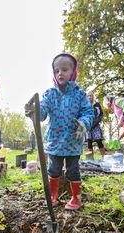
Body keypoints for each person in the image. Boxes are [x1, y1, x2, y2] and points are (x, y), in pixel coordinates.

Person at [25, 53, 93, 210]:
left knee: (73, 171)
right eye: (57, 71)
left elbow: (88, 113)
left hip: (73, 140)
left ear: (73, 72)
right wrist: (33, 111)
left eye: (64, 69)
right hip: (55, 141)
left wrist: (83, 124)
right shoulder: (50, 94)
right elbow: (42, 114)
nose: (60, 73)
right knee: (53, 170)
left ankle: (76, 198)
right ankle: (52, 195)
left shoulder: (79, 94)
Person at [85, 89, 106, 157]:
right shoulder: (84, 106)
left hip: (95, 125)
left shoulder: (96, 104)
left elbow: (100, 115)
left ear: (93, 97)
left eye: (91, 96)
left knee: (98, 140)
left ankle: (104, 157)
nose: (90, 97)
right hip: (88, 126)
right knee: (89, 141)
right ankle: (90, 160)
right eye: (88, 96)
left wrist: (94, 123)